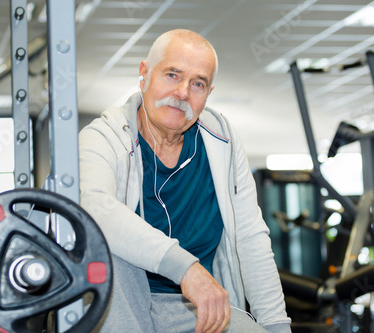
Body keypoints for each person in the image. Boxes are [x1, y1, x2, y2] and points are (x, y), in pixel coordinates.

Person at [79, 29, 291, 333]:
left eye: (198, 84)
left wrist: (276, 326)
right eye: (172, 75)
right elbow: (95, 208)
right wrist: (185, 267)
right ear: (144, 74)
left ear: (208, 92)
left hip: (193, 309)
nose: (182, 93)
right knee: (109, 241)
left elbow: (251, 239)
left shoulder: (222, 142)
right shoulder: (104, 136)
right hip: (120, 307)